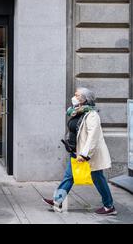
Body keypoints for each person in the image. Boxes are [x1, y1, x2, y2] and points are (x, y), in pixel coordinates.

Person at [42, 87, 116, 216]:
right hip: (76, 150)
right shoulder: (77, 112)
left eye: (77, 95)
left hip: (87, 154)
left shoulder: (92, 115)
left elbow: (93, 136)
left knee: (98, 178)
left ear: (85, 99)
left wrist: (85, 154)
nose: (74, 97)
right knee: (69, 176)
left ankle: (109, 206)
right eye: (75, 95)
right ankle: (57, 201)